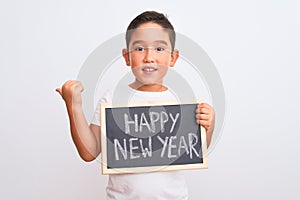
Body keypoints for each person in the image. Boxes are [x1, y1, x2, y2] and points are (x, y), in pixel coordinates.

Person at [56, 11, 215, 199]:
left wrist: (208, 125)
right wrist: (73, 106)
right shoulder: (113, 99)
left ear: (173, 57)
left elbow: (193, 150)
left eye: (159, 48)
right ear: (126, 57)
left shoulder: (181, 101)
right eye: (139, 49)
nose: (149, 57)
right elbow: (89, 152)